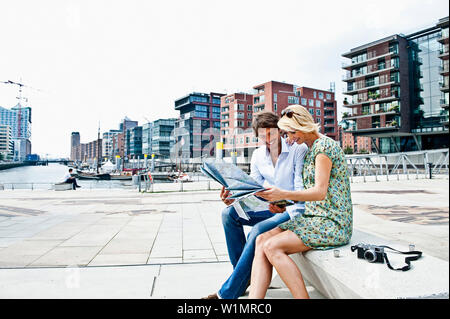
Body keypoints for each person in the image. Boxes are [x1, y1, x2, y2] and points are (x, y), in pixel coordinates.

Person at [250, 105, 353, 299]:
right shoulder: (311, 148)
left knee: (272, 247)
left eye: (290, 133)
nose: (288, 139)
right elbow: (304, 193)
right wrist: (282, 202)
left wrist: (283, 193)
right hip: (313, 217)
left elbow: (319, 192)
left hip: (332, 222)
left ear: (302, 125)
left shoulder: (324, 148)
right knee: (261, 239)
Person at [203, 112, 308, 299]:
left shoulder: (296, 150)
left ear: (280, 130)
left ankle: (228, 293)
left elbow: (301, 189)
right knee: (228, 214)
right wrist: (234, 197)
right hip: (269, 208)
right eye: (263, 136)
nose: (268, 140)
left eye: (271, 134)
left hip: (292, 210)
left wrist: (284, 202)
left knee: (257, 230)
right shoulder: (258, 155)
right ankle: (242, 278)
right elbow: (252, 188)